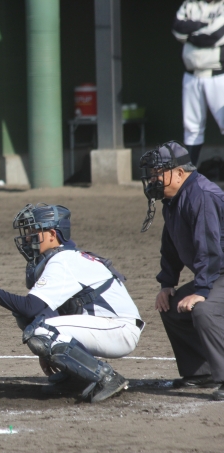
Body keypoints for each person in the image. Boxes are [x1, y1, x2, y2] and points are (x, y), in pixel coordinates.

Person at [0, 203, 143, 403]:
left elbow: (29, 306)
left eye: (33, 231)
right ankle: (77, 377)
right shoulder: (65, 257)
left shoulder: (64, 261)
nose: (27, 238)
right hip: (106, 326)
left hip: (118, 329)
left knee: (42, 331)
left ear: (52, 234)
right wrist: (47, 354)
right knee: (31, 320)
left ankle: (107, 377)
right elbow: (33, 312)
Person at [138, 141, 224, 401]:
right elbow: (171, 245)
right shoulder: (174, 199)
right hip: (217, 273)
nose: (153, 179)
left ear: (178, 173)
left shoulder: (202, 195)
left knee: (203, 310)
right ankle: (201, 372)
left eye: (158, 173)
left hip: (218, 271)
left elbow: (209, 248)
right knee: (172, 307)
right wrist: (167, 283)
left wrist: (201, 291)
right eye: (152, 174)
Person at [172, 0, 224, 165]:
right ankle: (188, 174)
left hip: (217, 75)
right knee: (191, 128)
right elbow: (177, 29)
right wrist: (204, 25)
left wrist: (190, 34)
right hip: (191, 75)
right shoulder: (190, 4)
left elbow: (215, 35)